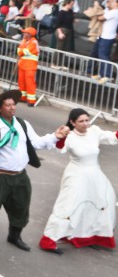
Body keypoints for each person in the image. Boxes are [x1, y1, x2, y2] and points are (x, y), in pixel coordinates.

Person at [0, 90, 68, 253]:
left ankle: (14, 236)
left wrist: (55, 136)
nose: (12, 108)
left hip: (19, 177)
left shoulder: (22, 124)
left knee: (20, 209)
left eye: (13, 104)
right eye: (8, 105)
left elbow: (37, 143)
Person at [39, 108, 117, 254]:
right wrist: (61, 136)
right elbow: (59, 148)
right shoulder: (69, 136)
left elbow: (112, 137)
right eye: (81, 121)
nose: (85, 123)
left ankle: (91, 236)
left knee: (100, 203)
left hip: (95, 174)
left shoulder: (94, 132)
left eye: (87, 120)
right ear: (73, 122)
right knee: (67, 206)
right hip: (76, 175)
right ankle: (48, 240)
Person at [17, 27, 40, 106]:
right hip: (22, 65)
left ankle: (31, 101)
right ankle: (22, 97)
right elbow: (18, 51)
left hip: (30, 66)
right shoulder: (24, 41)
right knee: (21, 82)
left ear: (29, 34)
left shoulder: (34, 42)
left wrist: (21, 51)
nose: (23, 33)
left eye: (25, 32)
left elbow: (25, 51)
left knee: (30, 83)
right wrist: (21, 51)